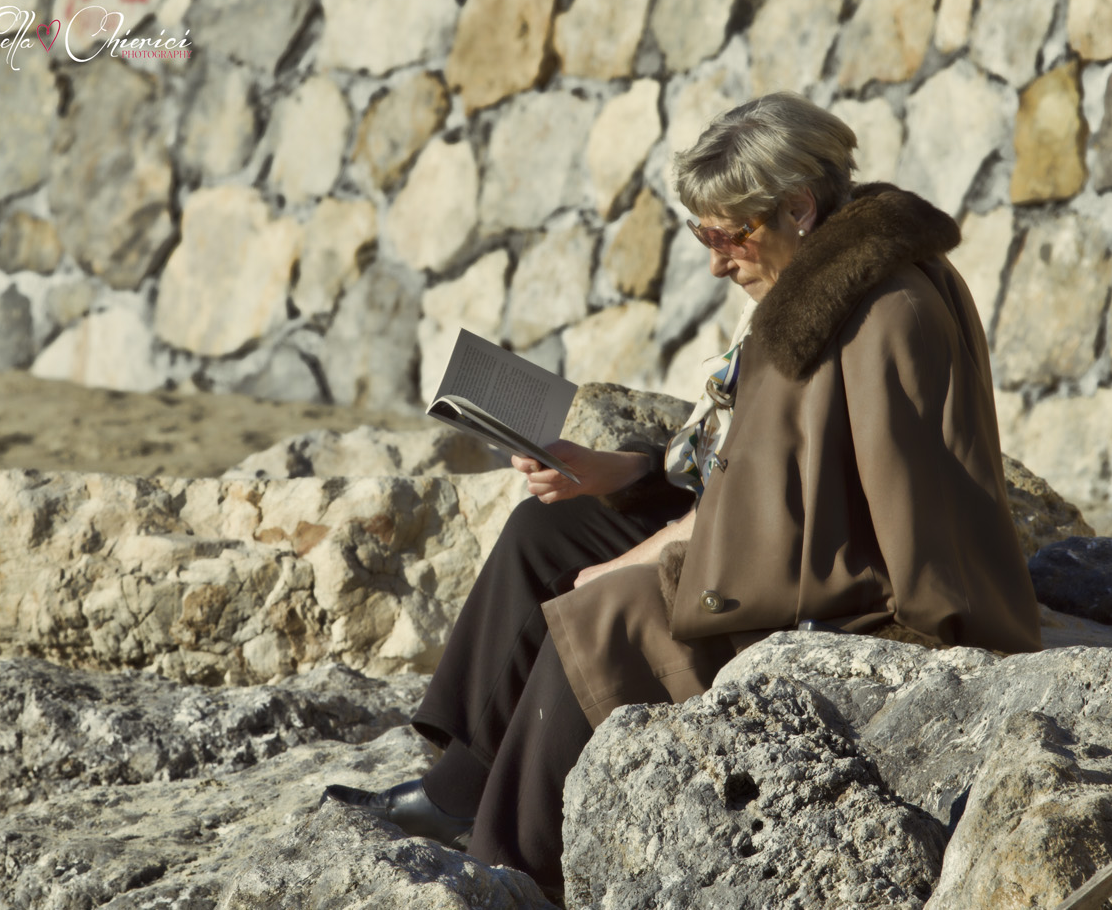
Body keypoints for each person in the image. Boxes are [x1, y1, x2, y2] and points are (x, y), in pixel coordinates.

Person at [323, 91, 1042, 895]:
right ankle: (459, 786)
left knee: (605, 617)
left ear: (799, 208)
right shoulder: (811, 288)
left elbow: (873, 532)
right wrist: (622, 475)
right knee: (545, 533)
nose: (713, 259)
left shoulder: (882, 314)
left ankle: (506, 864)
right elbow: (741, 458)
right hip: (769, 527)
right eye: (701, 233)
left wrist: (645, 563)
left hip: (854, 592)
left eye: (727, 234)